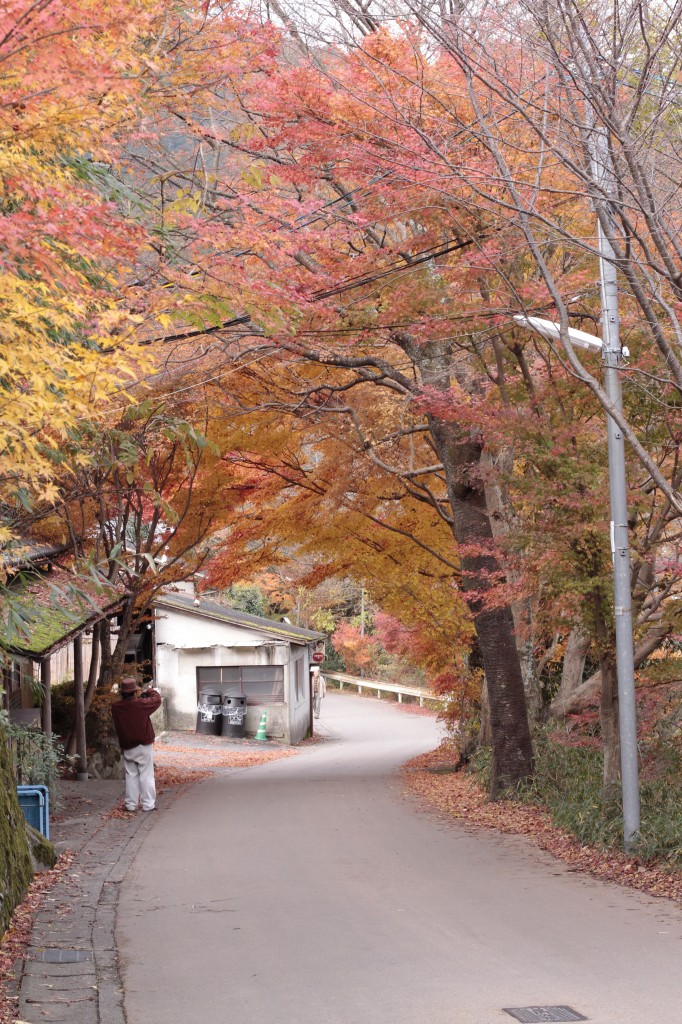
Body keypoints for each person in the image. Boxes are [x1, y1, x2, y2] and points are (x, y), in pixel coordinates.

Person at [111, 677, 162, 813]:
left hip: (127, 745)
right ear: (134, 692)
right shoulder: (140, 704)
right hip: (143, 744)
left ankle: (131, 805)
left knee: (131, 774)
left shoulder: (115, 707)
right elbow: (157, 699)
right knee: (146, 774)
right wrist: (150, 690)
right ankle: (148, 804)